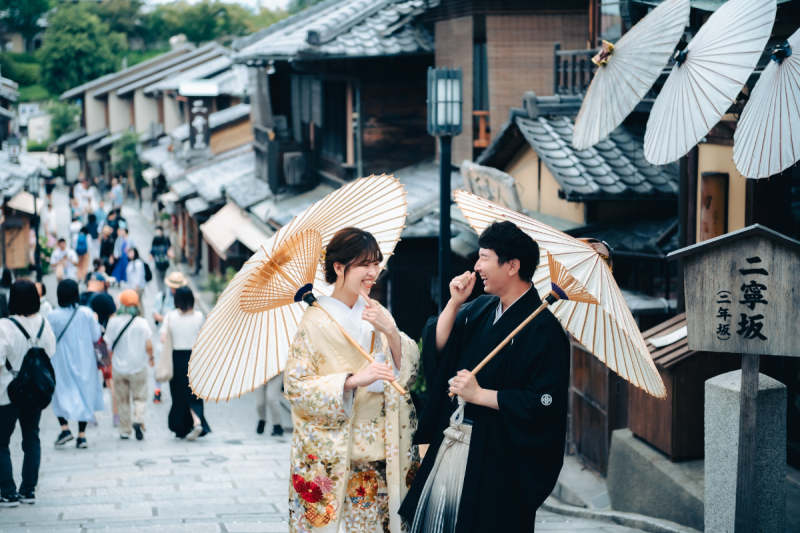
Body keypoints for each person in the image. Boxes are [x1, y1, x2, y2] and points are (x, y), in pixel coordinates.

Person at [398, 221, 570, 533]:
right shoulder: (480, 308)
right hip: (456, 443)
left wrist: (481, 395)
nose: (476, 267)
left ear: (513, 265)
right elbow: (440, 349)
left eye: (484, 257)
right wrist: (454, 303)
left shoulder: (545, 331)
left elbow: (545, 402)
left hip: (501, 459)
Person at [284, 227, 419, 533]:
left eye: (376, 263)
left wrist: (391, 333)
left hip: (381, 454)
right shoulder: (314, 321)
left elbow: (407, 375)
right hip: (337, 458)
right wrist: (352, 380)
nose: (374, 272)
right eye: (365, 264)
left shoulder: (377, 312)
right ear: (339, 267)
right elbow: (295, 386)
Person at [0, 280, 56, 507]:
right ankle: (28, 490)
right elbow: (50, 351)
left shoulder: (5, 325)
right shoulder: (43, 323)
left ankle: (8, 492)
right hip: (35, 390)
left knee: (2, 442)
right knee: (31, 437)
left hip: (7, 390)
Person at [49, 280, 104, 449]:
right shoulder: (86, 313)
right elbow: (96, 337)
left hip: (61, 360)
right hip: (84, 359)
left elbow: (49, 339)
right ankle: (82, 436)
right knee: (84, 393)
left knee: (60, 392)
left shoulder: (53, 315)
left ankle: (65, 428)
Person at [104, 290, 153, 441]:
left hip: (119, 367)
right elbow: (149, 344)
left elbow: (107, 344)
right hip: (138, 366)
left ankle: (125, 430)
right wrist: (151, 358)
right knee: (140, 397)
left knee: (122, 399)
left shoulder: (113, 322)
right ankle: (138, 419)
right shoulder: (142, 323)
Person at [162, 287, 209, 441]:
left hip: (177, 358)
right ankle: (196, 422)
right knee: (194, 393)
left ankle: (184, 426)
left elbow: (163, 338)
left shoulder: (170, 316)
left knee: (179, 394)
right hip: (194, 358)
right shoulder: (199, 316)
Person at [79, 272, 117, 425]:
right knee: (109, 378)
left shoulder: (80, 298)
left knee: (87, 379)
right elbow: (113, 321)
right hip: (101, 344)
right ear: (101, 283)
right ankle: (116, 416)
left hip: (83, 345)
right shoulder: (105, 298)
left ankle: (89, 416)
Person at [152, 271, 186, 403]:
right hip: (163, 336)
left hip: (179, 336)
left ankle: (177, 390)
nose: (174, 290)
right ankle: (157, 390)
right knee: (161, 363)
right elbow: (155, 314)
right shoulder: (162, 296)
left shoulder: (184, 297)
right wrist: (168, 320)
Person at [149, 227, 172, 293]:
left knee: (159, 280)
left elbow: (150, 257)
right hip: (165, 265)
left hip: (157, 266)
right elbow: (170, 253)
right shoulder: (164, 246)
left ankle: (161, 292)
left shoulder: (154, 248)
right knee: (164, 279)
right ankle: (165, 291)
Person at [125, 248, 146, 315]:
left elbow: (139, 275)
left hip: (137, 286)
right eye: (129, 253)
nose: (130, 254)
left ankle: (141, 315)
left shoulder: (138, 263)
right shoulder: (131, 262)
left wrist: (137, 285)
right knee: (136, 302)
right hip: (133, 286)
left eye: (131, 252)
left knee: (138, 302)